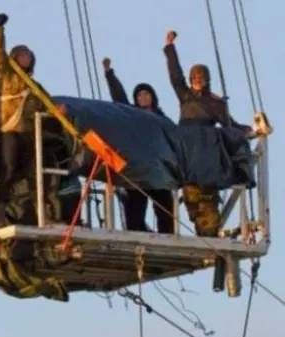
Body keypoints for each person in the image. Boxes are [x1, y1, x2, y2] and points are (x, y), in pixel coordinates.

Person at [162, 30, 254, 238]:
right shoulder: (185, 96)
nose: (197, 81)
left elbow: (228, 123)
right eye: (194, 78)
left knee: (205, 193)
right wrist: (169, 48)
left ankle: (209, 231)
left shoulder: (215, 103)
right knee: (191, 194)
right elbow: (175, 76)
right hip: (187, 147)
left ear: (206, 80)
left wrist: (244, 129)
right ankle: (203, 228)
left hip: (204, 151)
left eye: (201, 78)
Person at [0, 13, 67, 227]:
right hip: (11, 130)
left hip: (30, 133)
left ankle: (42, 212)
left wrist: (59, 111)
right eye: (21, 55)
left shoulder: (36, 88)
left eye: (28, 56)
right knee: (10, 167)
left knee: (37, 173)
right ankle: (0, 208)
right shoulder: (8, 76)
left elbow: (49, 105)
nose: (25, 59)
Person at [101, 57, 175, 234]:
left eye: (146, 94)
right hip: (138, 168)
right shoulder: (132, 116)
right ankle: (136, 233)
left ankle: (166, 236)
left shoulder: (162, 119)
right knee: (134, 208)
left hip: (157, 168)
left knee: (164, 208)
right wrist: (110, 75)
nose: (143, 97)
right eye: (139, 95)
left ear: (153, 97)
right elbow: (119, 98)